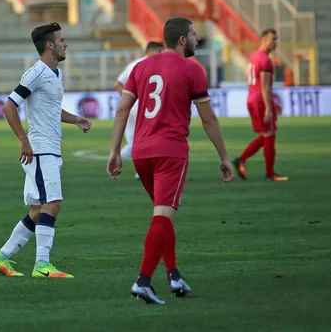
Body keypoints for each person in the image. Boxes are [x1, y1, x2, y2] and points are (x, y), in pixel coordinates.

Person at [107, 17, 233, 305]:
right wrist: (224, 156)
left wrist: (115, 150)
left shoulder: (140, 67)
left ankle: (174, 275)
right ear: (181, 40)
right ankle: (143, 281)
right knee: (162, 217)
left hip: (140, 153)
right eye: (193, 34)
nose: (197, 38)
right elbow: (208, 118)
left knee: (161, 216)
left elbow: (122, 111)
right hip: (170, 153)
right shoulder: (192, 68)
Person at [0, 22, 92, 279]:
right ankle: (42, 264)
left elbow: (50, 110)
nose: (65, 44)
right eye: (61, 40)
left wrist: (76, 119)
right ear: (50, 45)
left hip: (49, 150)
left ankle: (2, 257)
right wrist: (23, 140)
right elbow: (9, 106)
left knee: (37, 211)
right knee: (53, 203)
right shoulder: (35, 73)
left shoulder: (54, 74)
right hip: (40, 150)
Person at [233, 28, 288, 182]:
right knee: (270, 135)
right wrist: (269, 108)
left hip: (252, 97)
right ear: (264, 40)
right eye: (273, 39)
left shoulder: (254, 56)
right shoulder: (265, 60)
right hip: (260, 100)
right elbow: (264, 86)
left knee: (265, 136)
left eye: (276, 39)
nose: (275, 42)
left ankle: (241, 160)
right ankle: (270, 173)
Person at [114, 41, 164, 178]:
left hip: (132, 107)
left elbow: (118, 83)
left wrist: (127, 98)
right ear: (155, 50)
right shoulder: (158, 64)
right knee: (148, 139)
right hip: (149, 108)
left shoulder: (134, 64)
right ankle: (130, 165)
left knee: (134, 141)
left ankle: (119, 159)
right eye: (160, 51)